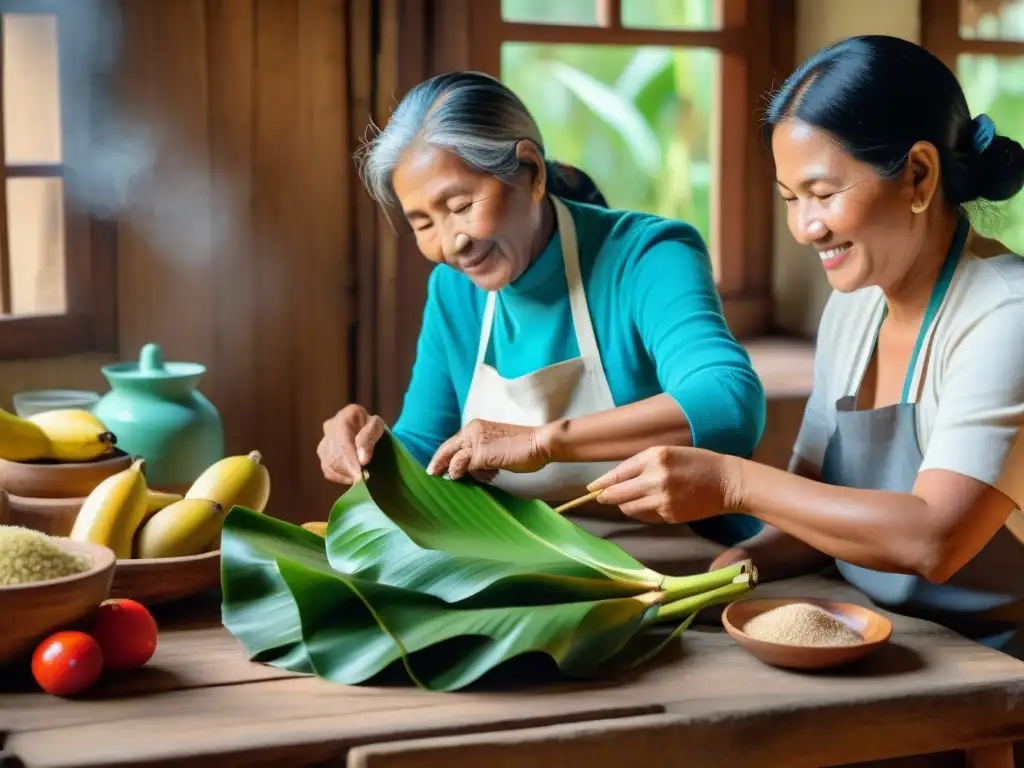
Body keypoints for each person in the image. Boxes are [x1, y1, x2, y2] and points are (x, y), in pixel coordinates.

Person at [587, 35, 1024, 661]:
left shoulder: (1006, 314)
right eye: (790, 199)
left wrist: (731, 481)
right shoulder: (854, 305)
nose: (804, 227)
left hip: (994, 665)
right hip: (877, 634)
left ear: (919, 176)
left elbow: (935, 538)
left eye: (823, 193)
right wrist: (730, 572)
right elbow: (811, 520)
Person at [318, 71, 767, 548]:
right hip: (536, 573)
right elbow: (428, 449)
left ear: (531, 172)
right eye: (423, 223)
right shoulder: (454, 291)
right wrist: (372, 451)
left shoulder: (647, 256)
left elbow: (729, 403)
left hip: (691, 564)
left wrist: (544, 442)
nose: (453, 243)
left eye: (462, 204)